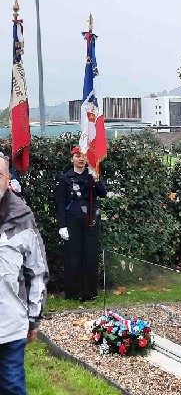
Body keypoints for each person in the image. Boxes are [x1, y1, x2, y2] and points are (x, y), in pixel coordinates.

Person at [0, 154, 49, 395]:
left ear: (8, 179)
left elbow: (37, 273)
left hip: (10, 328)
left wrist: (33, 318)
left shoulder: (22, 219)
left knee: (12, 387)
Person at [55, 147, 106, 301]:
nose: (81, 159)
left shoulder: (92, 175)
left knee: (90, 256)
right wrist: (62, 225)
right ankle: (73, 292)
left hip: (90, 221)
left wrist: (96, 178)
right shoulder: (65, 178)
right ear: (72, 159)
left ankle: (90, 292)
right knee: (73, 257)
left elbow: (103, 193)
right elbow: (60, 203)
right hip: (73, 221)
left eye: (83, 156)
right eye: (77, 156)